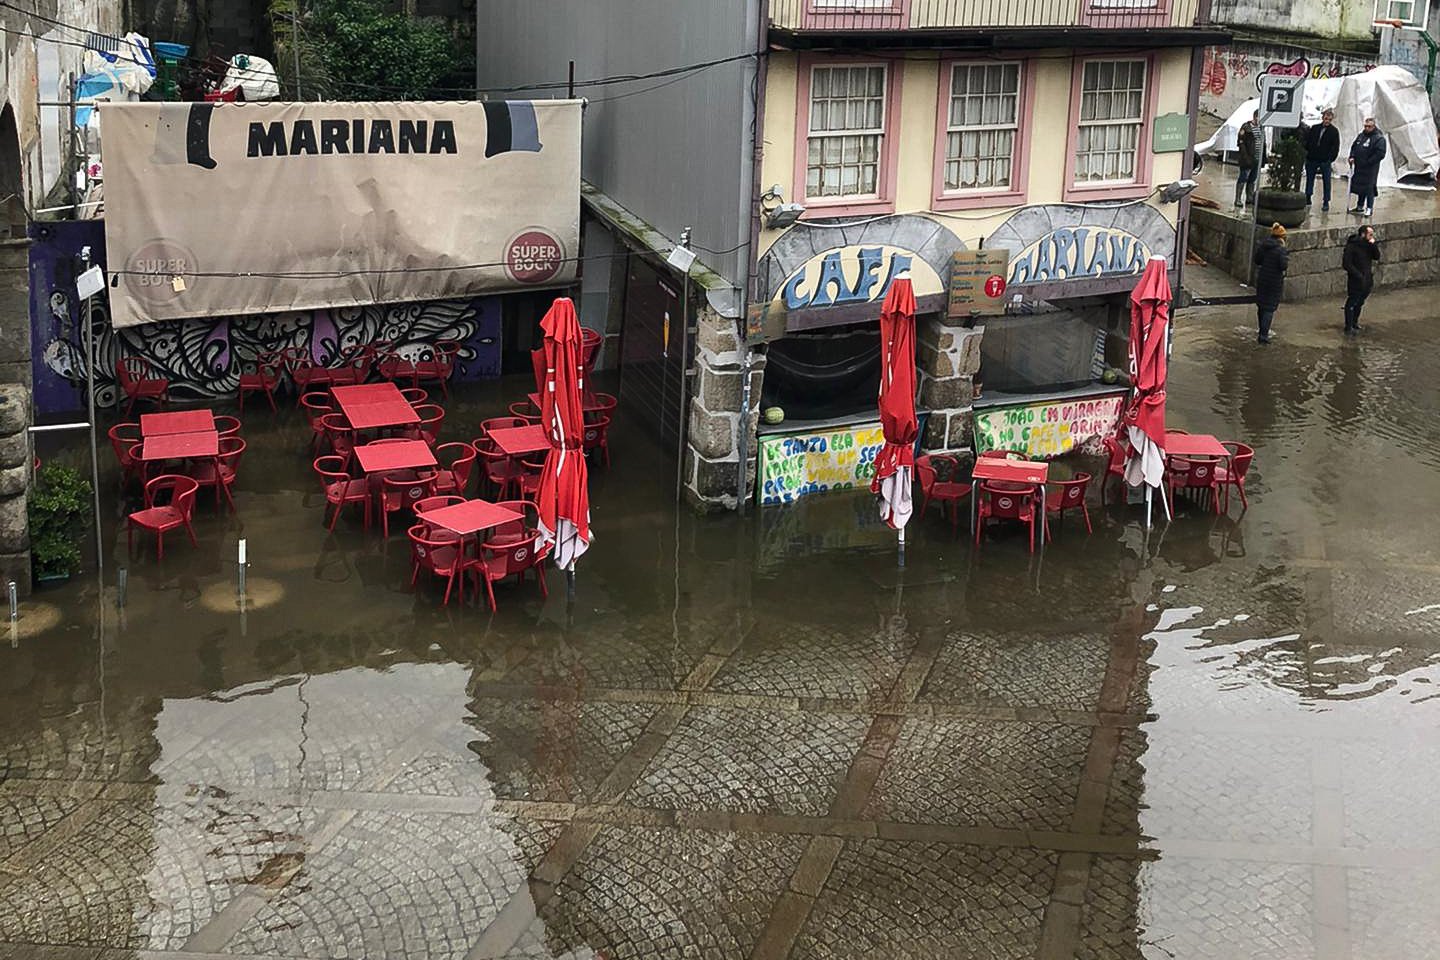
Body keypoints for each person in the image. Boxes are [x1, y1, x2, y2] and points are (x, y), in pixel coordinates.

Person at [1252, 222, 1289, 344]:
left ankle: (1261, 330)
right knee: (1269, 308)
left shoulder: (1264, 245)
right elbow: (1283, 266)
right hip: (1274, 282)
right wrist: (1285, 254)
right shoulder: (1281, 249)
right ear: (1281, 238)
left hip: (1262, 278)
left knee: (1262, 305)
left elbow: (1257, 260)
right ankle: (1263, 336)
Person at [1341, 224, 1380, 335]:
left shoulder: (1368, 245)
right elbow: (1346, 264)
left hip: (1367, 279)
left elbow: (1376, 256)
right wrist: (1358, 275)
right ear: (1363, 234)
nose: (1372, 237)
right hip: (1356, 280)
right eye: (1370, 235)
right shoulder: (1352, 246)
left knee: (1360, 302)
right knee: (1352, 302)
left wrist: (1374, 245)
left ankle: (1355, 323)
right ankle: (1348, 326)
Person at [1347, 117, 1387, 217]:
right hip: (1359, 166)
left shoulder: (1379, 138)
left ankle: (1369, 208)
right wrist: (1352, 156)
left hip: (1370, 168)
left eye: (1369, 126)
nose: (1367, 128)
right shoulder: (1361, 136)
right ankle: (1359, 206)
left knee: (1369, 188)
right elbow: (1354, 147)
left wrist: (1369, 162)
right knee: (1360, 187)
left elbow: (1380, 153)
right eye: (1365, 126)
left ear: (1373, 126)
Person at [1304, 109, 1341, 211]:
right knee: (1310, 179)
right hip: (1312, 158)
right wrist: (1308, 153)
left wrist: (1330, 159)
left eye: (1329, 119)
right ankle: (1308, 196)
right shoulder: (1315, 128)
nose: (1327, 121)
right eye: (1326, 119)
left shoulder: (1334, 131)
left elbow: (1335, 147)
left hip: (1325, 160)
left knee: (1327, 181)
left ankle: (1326, 201)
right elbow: (1308, 141)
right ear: (1322, 118)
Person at [1234, 110, 1261, 211]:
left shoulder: (1261, 128)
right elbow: (1241, 143)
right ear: (1255, 117)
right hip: (1248, 158)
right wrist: (1245, 157)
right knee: (1243, 177)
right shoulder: (1246, 127)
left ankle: (1249, 197)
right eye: (1258, 118)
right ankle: (1238, 199)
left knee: (1252, 179)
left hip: (1257, 158)